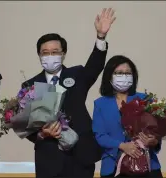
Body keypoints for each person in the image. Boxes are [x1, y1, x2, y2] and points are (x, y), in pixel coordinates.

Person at [21, 8, 116, 178]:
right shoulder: (31, 85)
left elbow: (94, 67)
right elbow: (26, 125)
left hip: (81, 155)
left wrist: (101, 37)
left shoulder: (77, 74)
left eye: (55, 52)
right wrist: (43, 133)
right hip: (49, 159)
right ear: (39, 56)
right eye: (45, 53)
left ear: (63, 54)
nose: (50, 56)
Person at [92, 55, 163, 178]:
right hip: (113, 166)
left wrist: (154, 141)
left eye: (127, 73)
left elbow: (156, 130)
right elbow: (100, 135)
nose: (124, 76)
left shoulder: (145, 100)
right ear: (109, 76)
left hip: (146, 165)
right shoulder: (100, 104)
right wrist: (122, 146)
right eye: (119, 73)